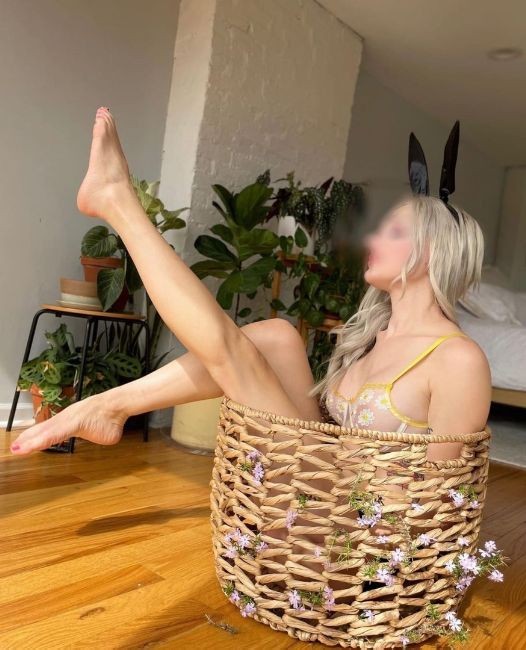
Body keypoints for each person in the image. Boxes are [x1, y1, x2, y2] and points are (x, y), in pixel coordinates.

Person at [9, 108, 491, 458]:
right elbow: (329, 432)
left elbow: (436, 500)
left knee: (232, 352)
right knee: (277, 336)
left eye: (394, 231)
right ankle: (112, 405)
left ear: (434, 252)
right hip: (319, 475)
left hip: (352, 521)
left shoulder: (458, 360)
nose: (372, 239)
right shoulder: (370, 337)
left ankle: (118, 202)